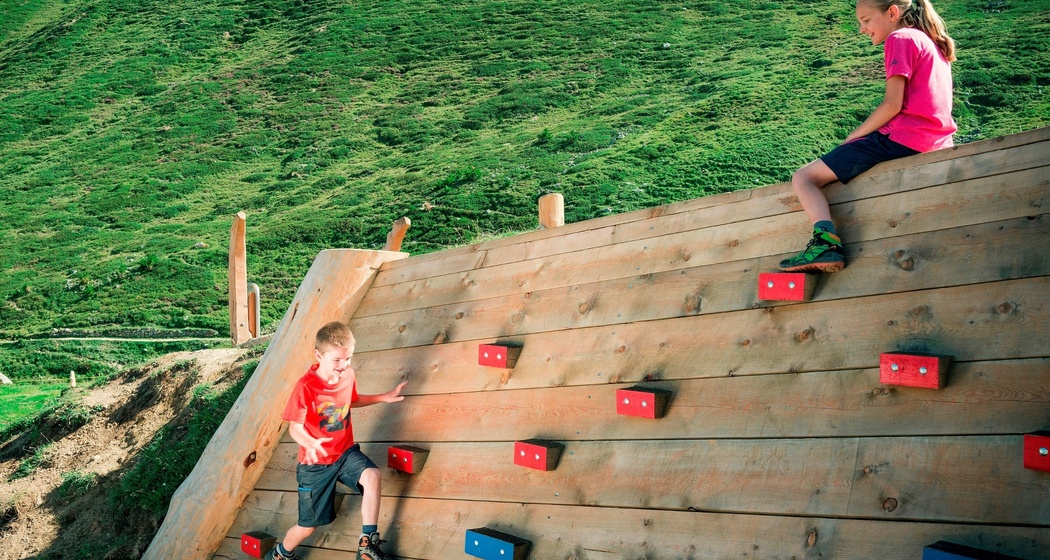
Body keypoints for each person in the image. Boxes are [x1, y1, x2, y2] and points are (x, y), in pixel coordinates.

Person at [779, 0, 956, 273]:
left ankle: (825, 243)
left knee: (804, 177)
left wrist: (852, 138)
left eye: (866, 20)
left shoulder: (899, 37)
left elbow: (892, 105)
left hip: (903, 138)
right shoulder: (931, 42)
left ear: (892, 13)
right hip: (937, 141)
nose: (862, 29)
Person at [268, 321, 407, 560]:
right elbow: (295, 428)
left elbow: (350, 400)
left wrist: (382, 397)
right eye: (337, 360)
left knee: (372, 476)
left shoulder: (348, 375)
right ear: (318, 355)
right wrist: (310, 443)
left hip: (344, 453)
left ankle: (367, 543)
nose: (343, 366)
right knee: (308, 526)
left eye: (348, 359)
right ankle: (281, 554)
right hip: (315, 466)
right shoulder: (306, 387)